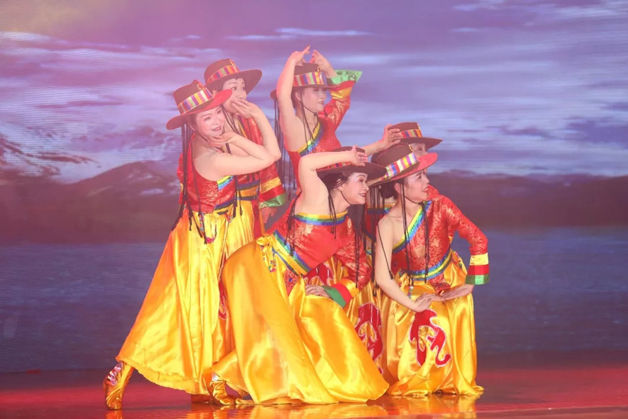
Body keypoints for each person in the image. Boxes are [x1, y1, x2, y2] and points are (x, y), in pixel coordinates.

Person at [103, 80, 280, 410]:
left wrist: (233, 134)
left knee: (213, 308)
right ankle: (123, 369)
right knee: (185, 309)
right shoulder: (211, 157)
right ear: (193, 125)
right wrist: (253, 118)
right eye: (206, 118)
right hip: (202, 239)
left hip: (208, 232)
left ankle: (207, 379)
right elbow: (271, 156)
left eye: (217, 113)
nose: (217, 121)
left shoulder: (205, 141)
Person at [209, 147, 389, 405]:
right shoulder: (317, 197)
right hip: (258, 264)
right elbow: (306, 163)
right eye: (360, 180)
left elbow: (361, 271)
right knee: (277, 332)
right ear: (340, 183)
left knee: (290, 330)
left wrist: (332, 291)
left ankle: (225, 376)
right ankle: (221, 376)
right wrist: (347, 157)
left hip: (287, 278)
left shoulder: (346, 228)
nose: (366, 187)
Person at [372, 144, 488, 397]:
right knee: (433, 315)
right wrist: (414, 306)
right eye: (419, 177)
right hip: (412, 285)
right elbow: (382, 277)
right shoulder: (387, 224)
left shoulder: (440, 204)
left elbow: (478, 239)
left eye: (425, 174)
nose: (427, 181)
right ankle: (423, 379)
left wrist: (471, 282)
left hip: (450, 277)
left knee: (454, 309)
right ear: (399, 187)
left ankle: (450, 379)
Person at [204, 59, 286, 243]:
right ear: (215, 93)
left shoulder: (245, 121)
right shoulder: (215, 130)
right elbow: (267, 158)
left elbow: (273, 155)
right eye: (233, 88)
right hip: (228, 213)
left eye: (242, 88)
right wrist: (258, 114)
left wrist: (257, 115)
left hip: (248, 207)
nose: (241, 94)